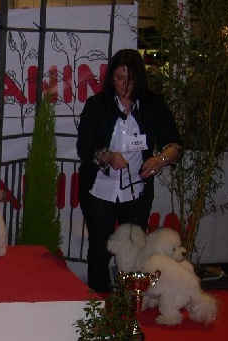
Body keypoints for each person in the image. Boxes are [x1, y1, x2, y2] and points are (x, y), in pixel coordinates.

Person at [76, 48, 183, 293]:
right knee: (99, 247)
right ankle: (99, 302)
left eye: (131, 78)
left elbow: (175, 144)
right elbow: (85, 147)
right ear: (111, 78)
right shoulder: (97, 105)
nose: (126, 85)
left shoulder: (153, 106)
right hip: (99, 190)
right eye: (120, 79)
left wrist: (161, 159)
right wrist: (107, 156)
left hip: (137, 192)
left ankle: (130, 301)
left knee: (134, 248)